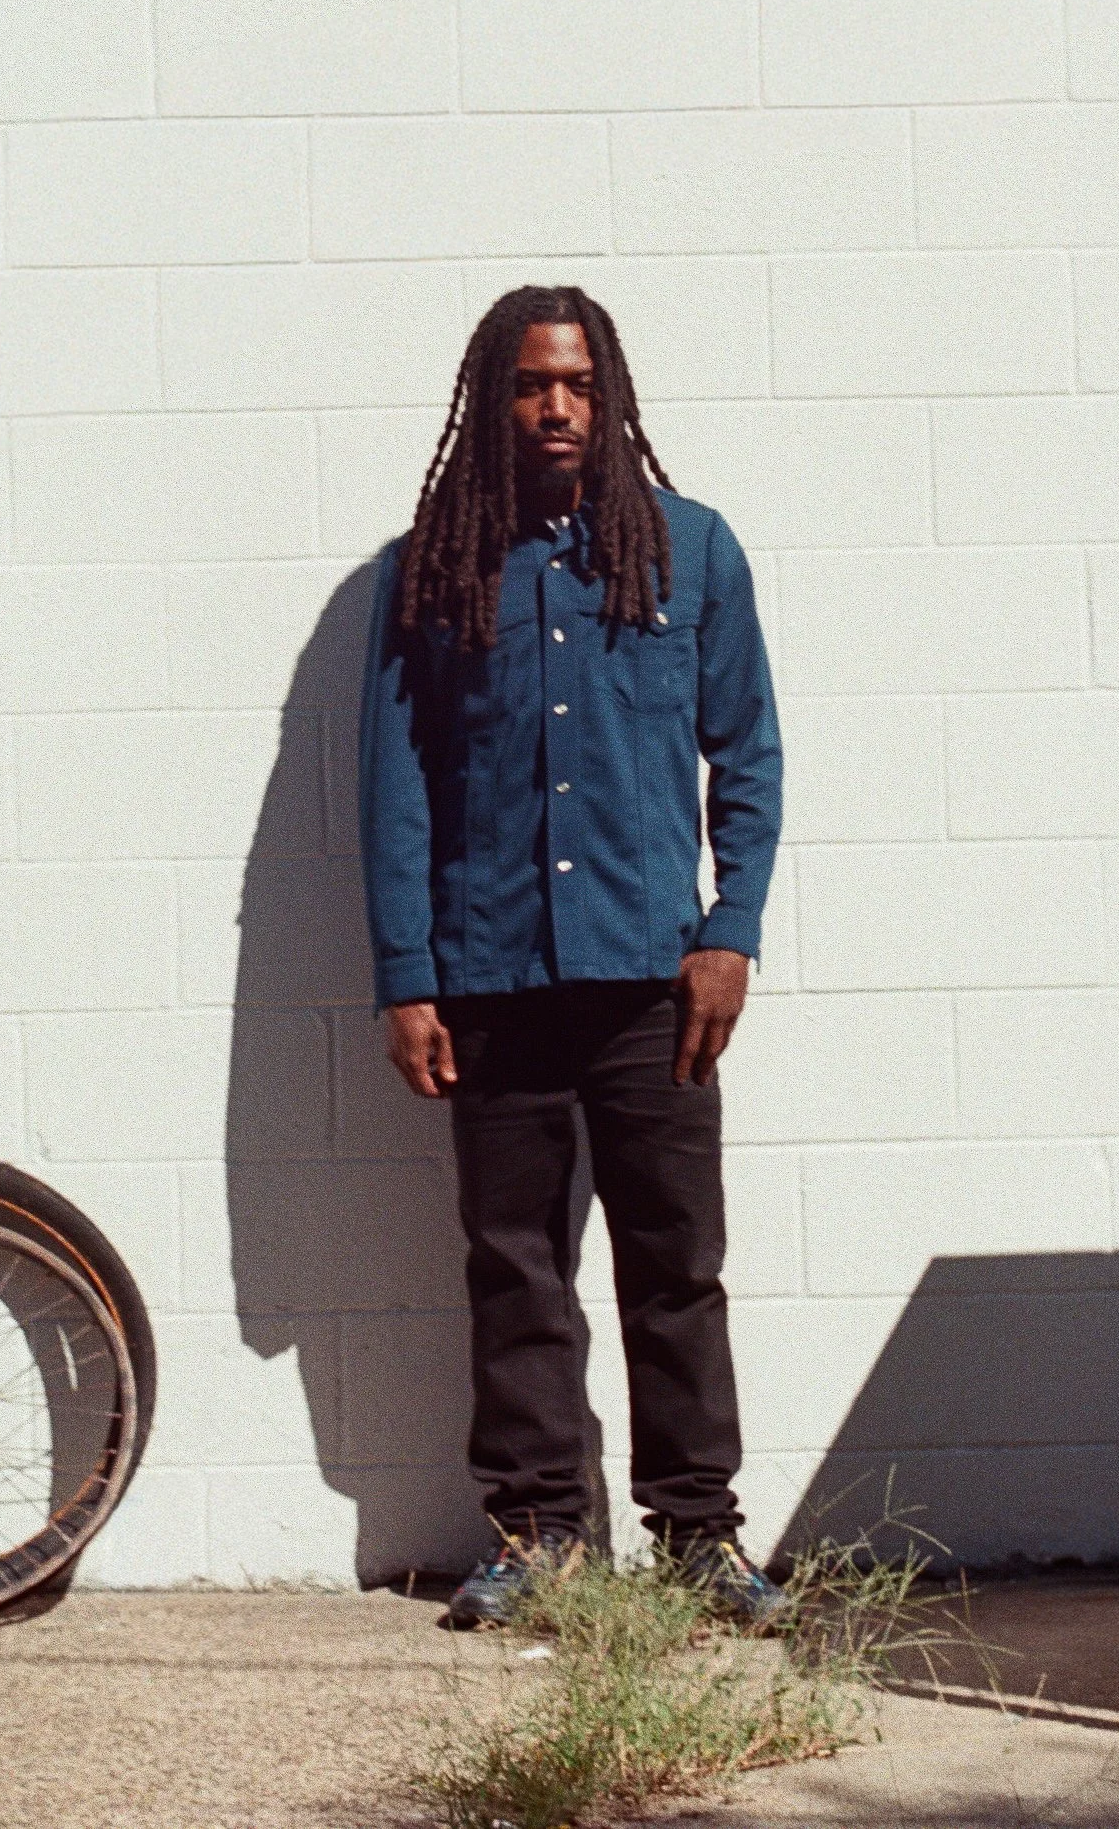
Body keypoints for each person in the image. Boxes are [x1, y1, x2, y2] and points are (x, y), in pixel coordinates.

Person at [356, 284, 784, 1631]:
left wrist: (730, 933)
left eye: (580, 384)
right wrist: (406, 974)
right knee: (514, 1265)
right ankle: (539, 1535)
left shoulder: (693, 554)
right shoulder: (429, 568)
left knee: (676, 1266)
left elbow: (751, 758)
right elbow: (397, 786)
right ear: (494, 399)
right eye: (533, 384)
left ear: (612, 400)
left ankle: (699, 1539)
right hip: (491, 983)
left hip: (654, 987)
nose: (556, 407)